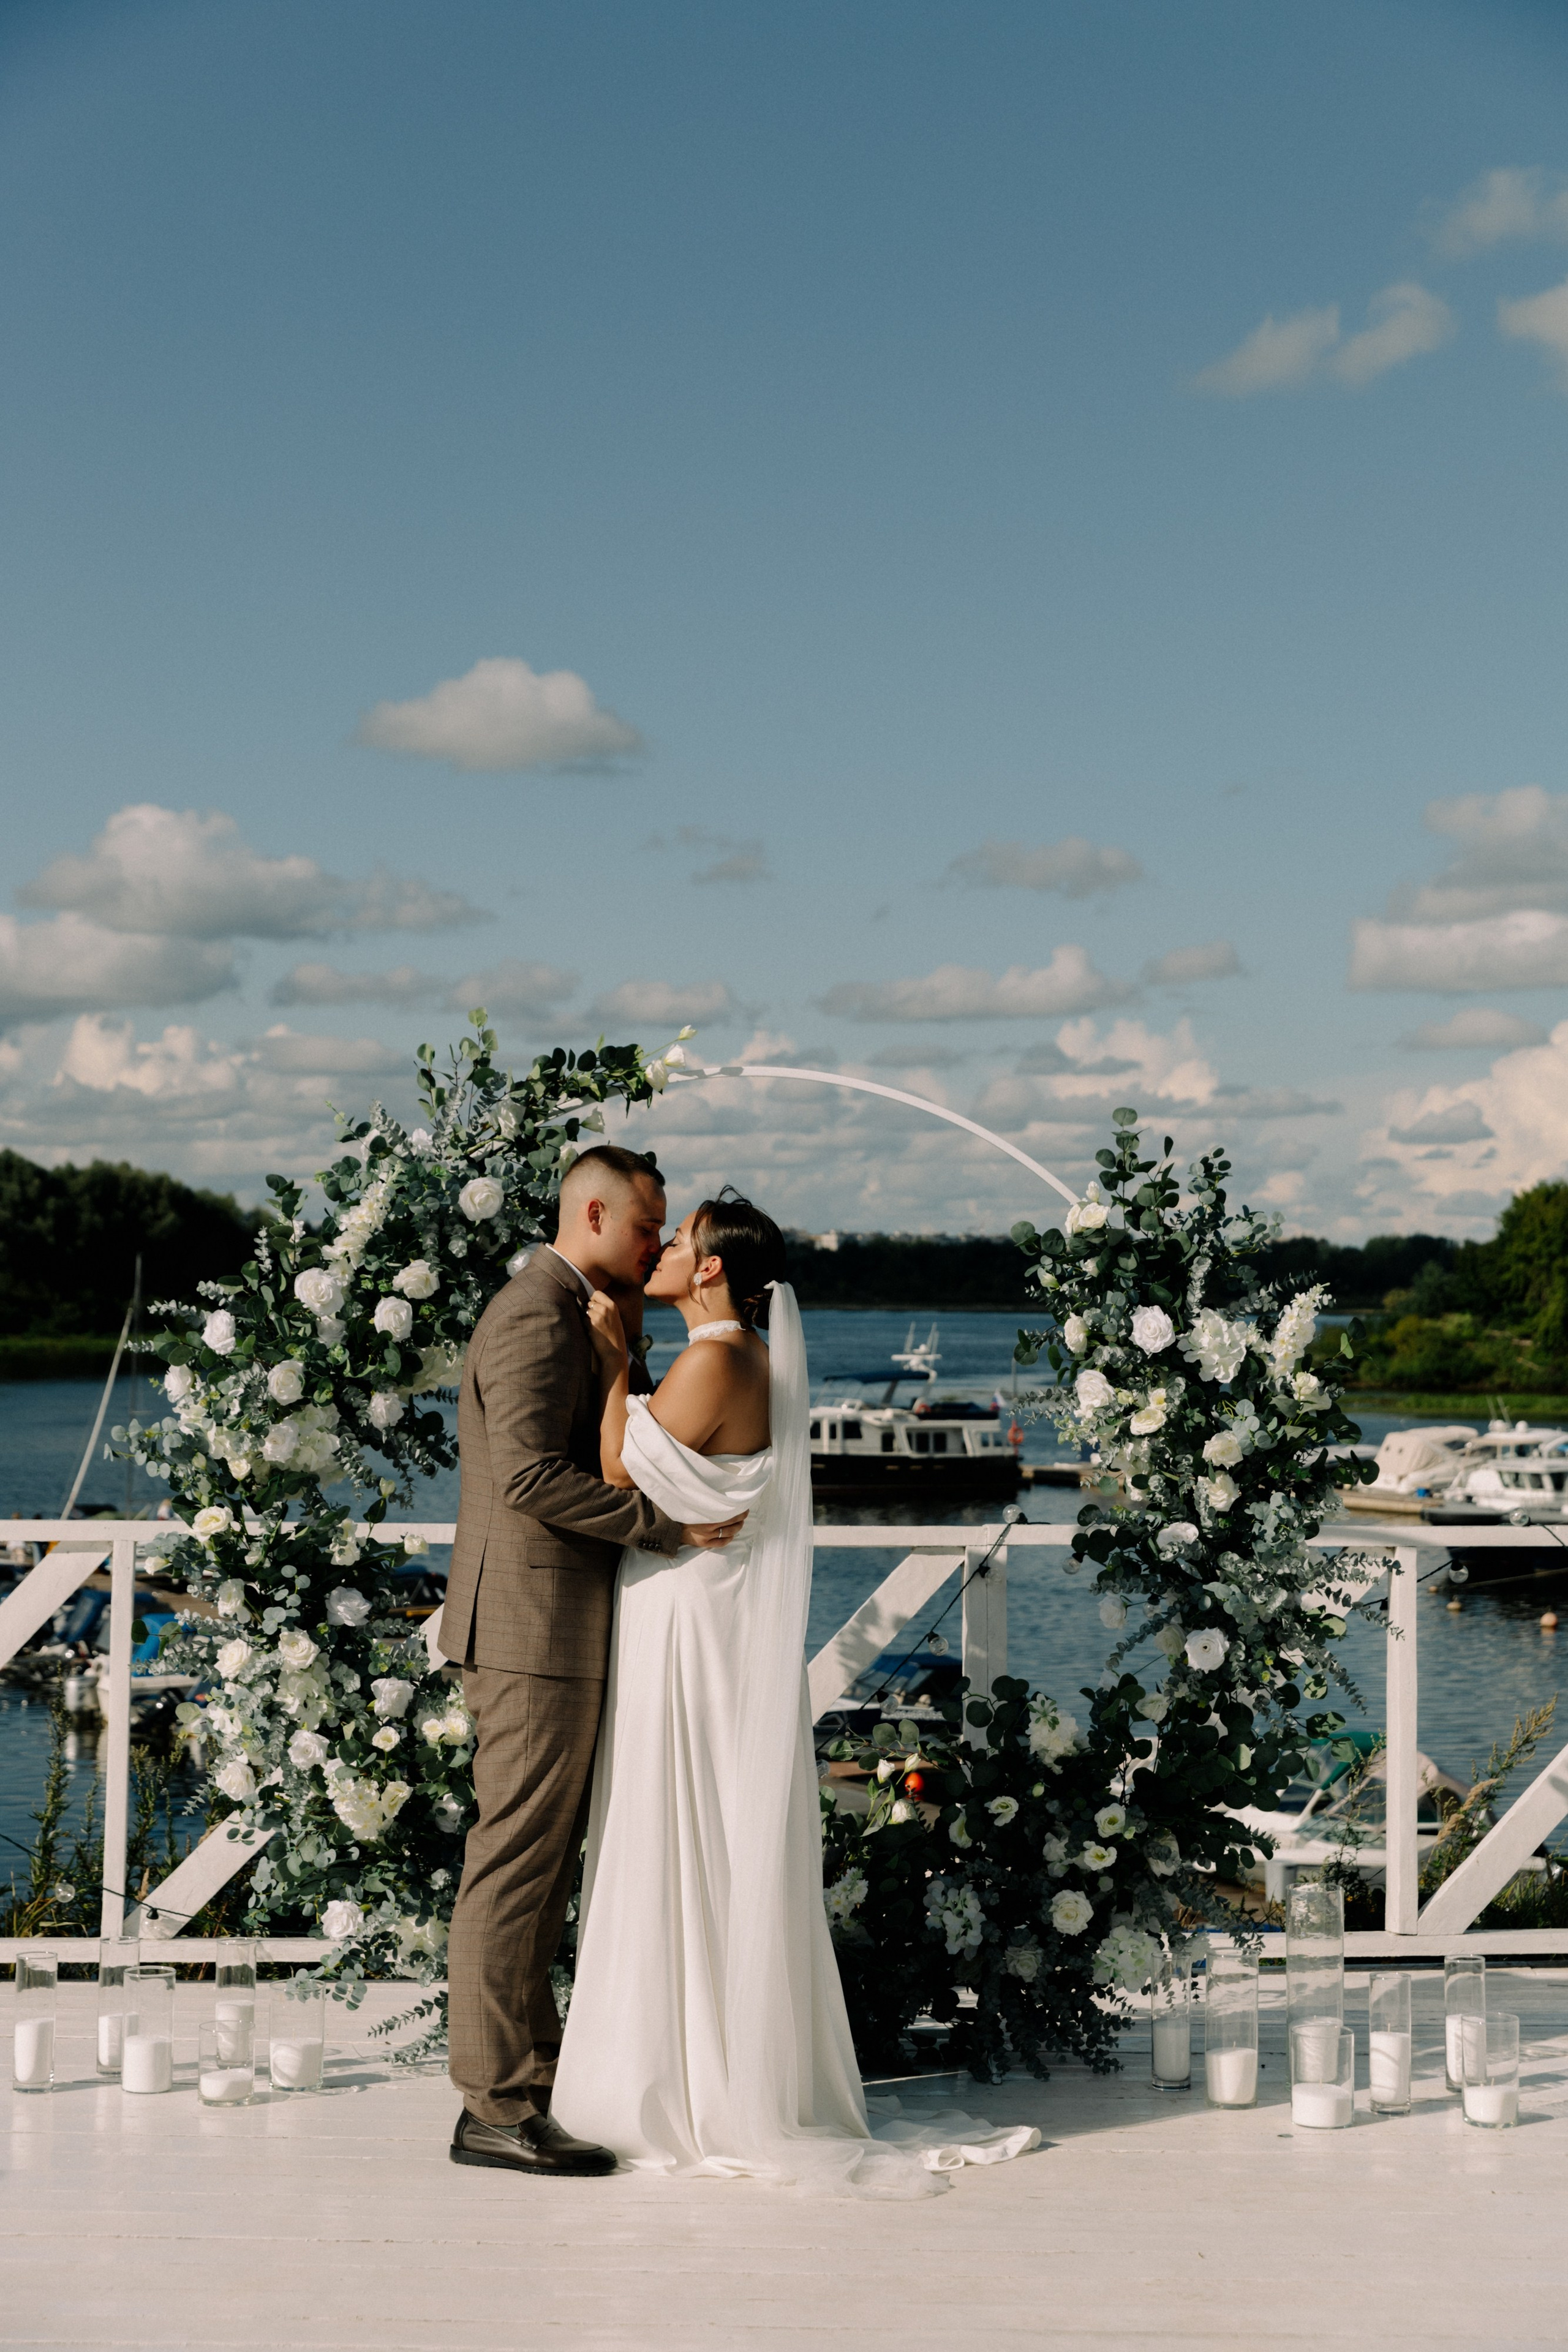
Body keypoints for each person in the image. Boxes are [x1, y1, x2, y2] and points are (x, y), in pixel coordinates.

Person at [549, 1189, 1038, 2194]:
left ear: (714, 1268)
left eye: (678, 1241)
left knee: (672, 1823)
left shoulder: (718, 1359)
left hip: (686, 1624)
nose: (664, 1251)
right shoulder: (737, 1361)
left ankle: (667, 2080)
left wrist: (609, 1365)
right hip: (700, 1615)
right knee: (697, 1827)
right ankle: (703, 2059)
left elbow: (613, 1473)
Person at [445, 1146, 748, 2180]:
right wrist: (655, 1525)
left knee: (535, 1868)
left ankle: (524, 2087)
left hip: (553, 1628)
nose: (659, 1245)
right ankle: (495, 2106)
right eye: (646, 1227)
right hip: (529, 1633)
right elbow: (530, 1473)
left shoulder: (583, 1311)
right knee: (516, 1868)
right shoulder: (536, 1311)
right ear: (590, 1213)